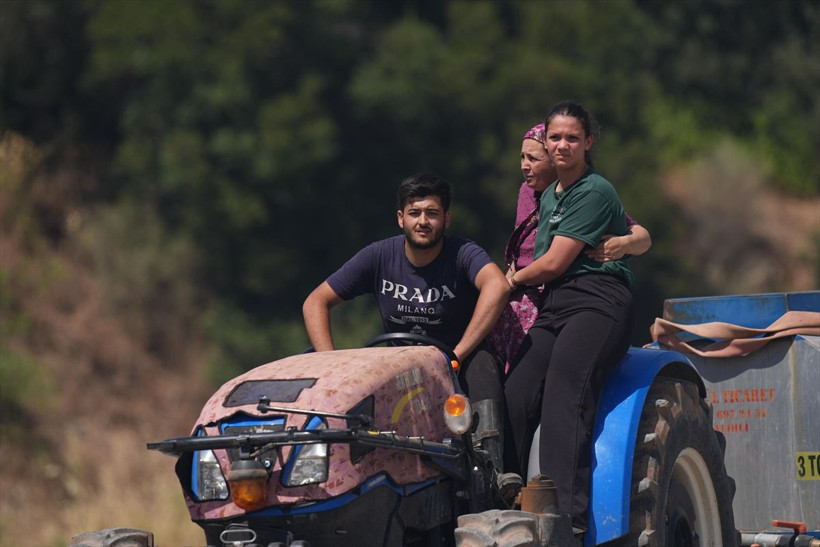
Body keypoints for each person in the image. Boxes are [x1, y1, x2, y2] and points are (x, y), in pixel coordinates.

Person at [303, 173, 510, 470]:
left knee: (484, 367)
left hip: (457, 361)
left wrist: (457, 355)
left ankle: (493, 472)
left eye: (432, 213)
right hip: (399, 364)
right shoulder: (378, 255)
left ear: (447, 219)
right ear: (401, 218)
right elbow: (315, 301)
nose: (423, 221)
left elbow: (498, 286)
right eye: (414, 213)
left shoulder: (464, 253)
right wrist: (330, 364)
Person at [502, 102, 637, 535]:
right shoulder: (549, 195)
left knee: (564, 390)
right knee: (516, 392)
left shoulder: (595, 190)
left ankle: (564, 523)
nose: (562, 145)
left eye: (572, 138)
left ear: (588, 142)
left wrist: (509, 281)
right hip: (556, 303)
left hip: (598, 300)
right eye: (555, 137)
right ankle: (505, 497)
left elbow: (556, 262)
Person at [488, 122, 651, 373]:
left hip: (553, 291)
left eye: (533, 158)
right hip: (521, 284)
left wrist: (623, 243)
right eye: (522, 157)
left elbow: (642, 236)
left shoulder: (584, 195)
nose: (524, 166)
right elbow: (521, 248)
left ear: (556, 161)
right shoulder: (527, 192)